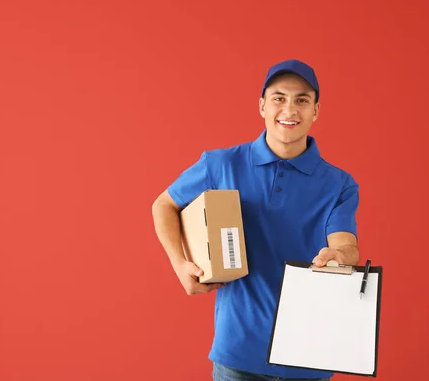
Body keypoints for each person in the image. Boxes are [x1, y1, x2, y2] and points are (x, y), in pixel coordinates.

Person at [151, 59, 360, 381]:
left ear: (315, 111)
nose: (289, 110)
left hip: (310, 351)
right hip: (238, 351)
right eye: (279, 98)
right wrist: (180, 264)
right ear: (262, 106)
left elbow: (345, 243)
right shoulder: (220, 164)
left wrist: (340, 257)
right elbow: (164, 204)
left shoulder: (338, 184)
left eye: (302, 100)